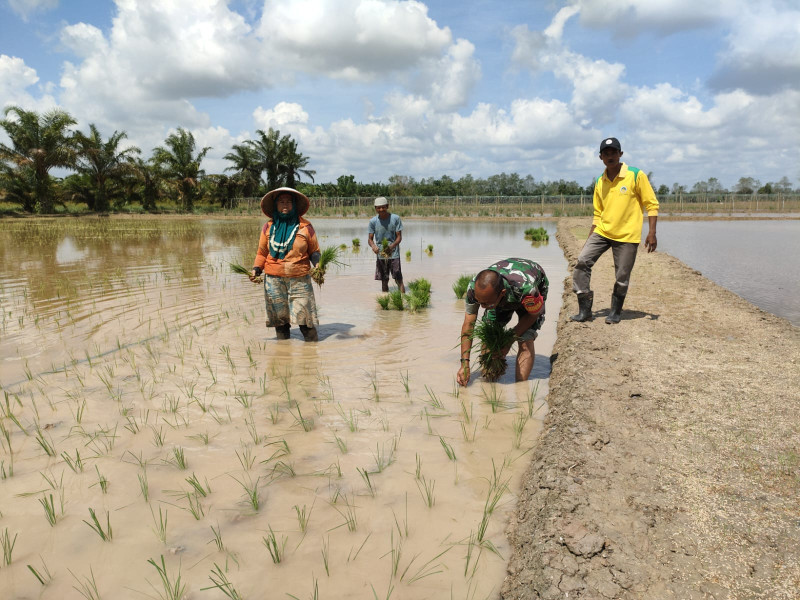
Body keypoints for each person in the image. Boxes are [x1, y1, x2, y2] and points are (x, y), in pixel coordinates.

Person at [571, 137, 659, 324]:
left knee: (622, 276)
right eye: (606, 153)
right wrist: (590, 237)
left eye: (614, 152)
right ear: (600, 157)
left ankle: (615, 312)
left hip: (627, 235)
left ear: (621, 154)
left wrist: (652, 233)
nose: (610, 156)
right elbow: (598, 212)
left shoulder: (635, 175)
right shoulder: (600, 181)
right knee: (582, 262)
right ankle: (585, 310)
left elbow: (651, 204)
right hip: (602, 231)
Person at [456, 258, 548, 386]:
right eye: (480, 302)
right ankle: (489, 382)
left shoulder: (528, 290)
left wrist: (509, 340)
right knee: (490, 337)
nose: (482, 307)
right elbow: (468, 325)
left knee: (525, 340)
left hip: (529, 287)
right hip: (502, 296)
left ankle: (520, 387)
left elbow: (533, 314)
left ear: (502, 294)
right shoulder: (473, 289)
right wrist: (464, 363)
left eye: (486, 303)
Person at [251, 187, 320, 342]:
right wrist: (256, 269)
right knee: (280, 320)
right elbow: (262, 253)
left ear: (294, 205)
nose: (285, 205)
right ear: (275, 205)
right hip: (273, 279)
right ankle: (283, 356)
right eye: (281, 201)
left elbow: (315, 251)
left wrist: (317, 265)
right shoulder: (268, 227)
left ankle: (313, 354)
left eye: (289, 202)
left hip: (299, 278)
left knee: (305, 319)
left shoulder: (305, 226)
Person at [367, 196, 405, 293]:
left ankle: (403, 298)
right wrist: (373, 246)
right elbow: (370, 239)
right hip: (381, 254)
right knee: (384, 280)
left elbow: (399, 237)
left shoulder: (395, 218)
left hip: (394, 253)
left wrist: (391, 246)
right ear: (375, 208)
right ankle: (385, 300)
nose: (381, 209)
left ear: (387, 206)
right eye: (378, 208)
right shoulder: (373, 222)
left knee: (398, 279)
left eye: (383, 207)